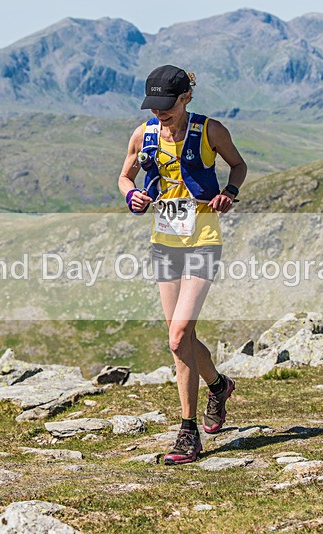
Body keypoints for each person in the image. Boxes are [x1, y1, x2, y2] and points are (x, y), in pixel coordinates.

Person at [117, 65, 247, 464]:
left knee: (178, 337)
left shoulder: (211, 130)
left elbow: (238, 166)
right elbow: (125, 177)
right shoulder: (144, 134)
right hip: (164, 243)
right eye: (153, 107)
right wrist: (132, 196)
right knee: (181, 341)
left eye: (167, 106)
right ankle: (219, 385)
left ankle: (187, 432)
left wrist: (229, 192)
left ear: (185, 97)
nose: (160, 114)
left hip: (203, 240)